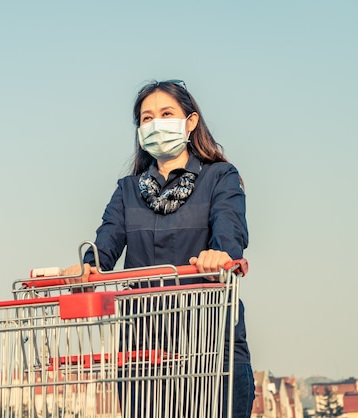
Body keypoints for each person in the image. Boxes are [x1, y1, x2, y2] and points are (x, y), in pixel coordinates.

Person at [62, 79, 254, 417]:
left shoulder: (220, 177)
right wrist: (88, 267)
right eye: (147, 118)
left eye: (166, 113)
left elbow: (229, 229)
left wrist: (220, 254)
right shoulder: (127, 191)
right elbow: (105, 242)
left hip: (208, 340)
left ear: (190, 122)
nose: (155, 124)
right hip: (144, 345)